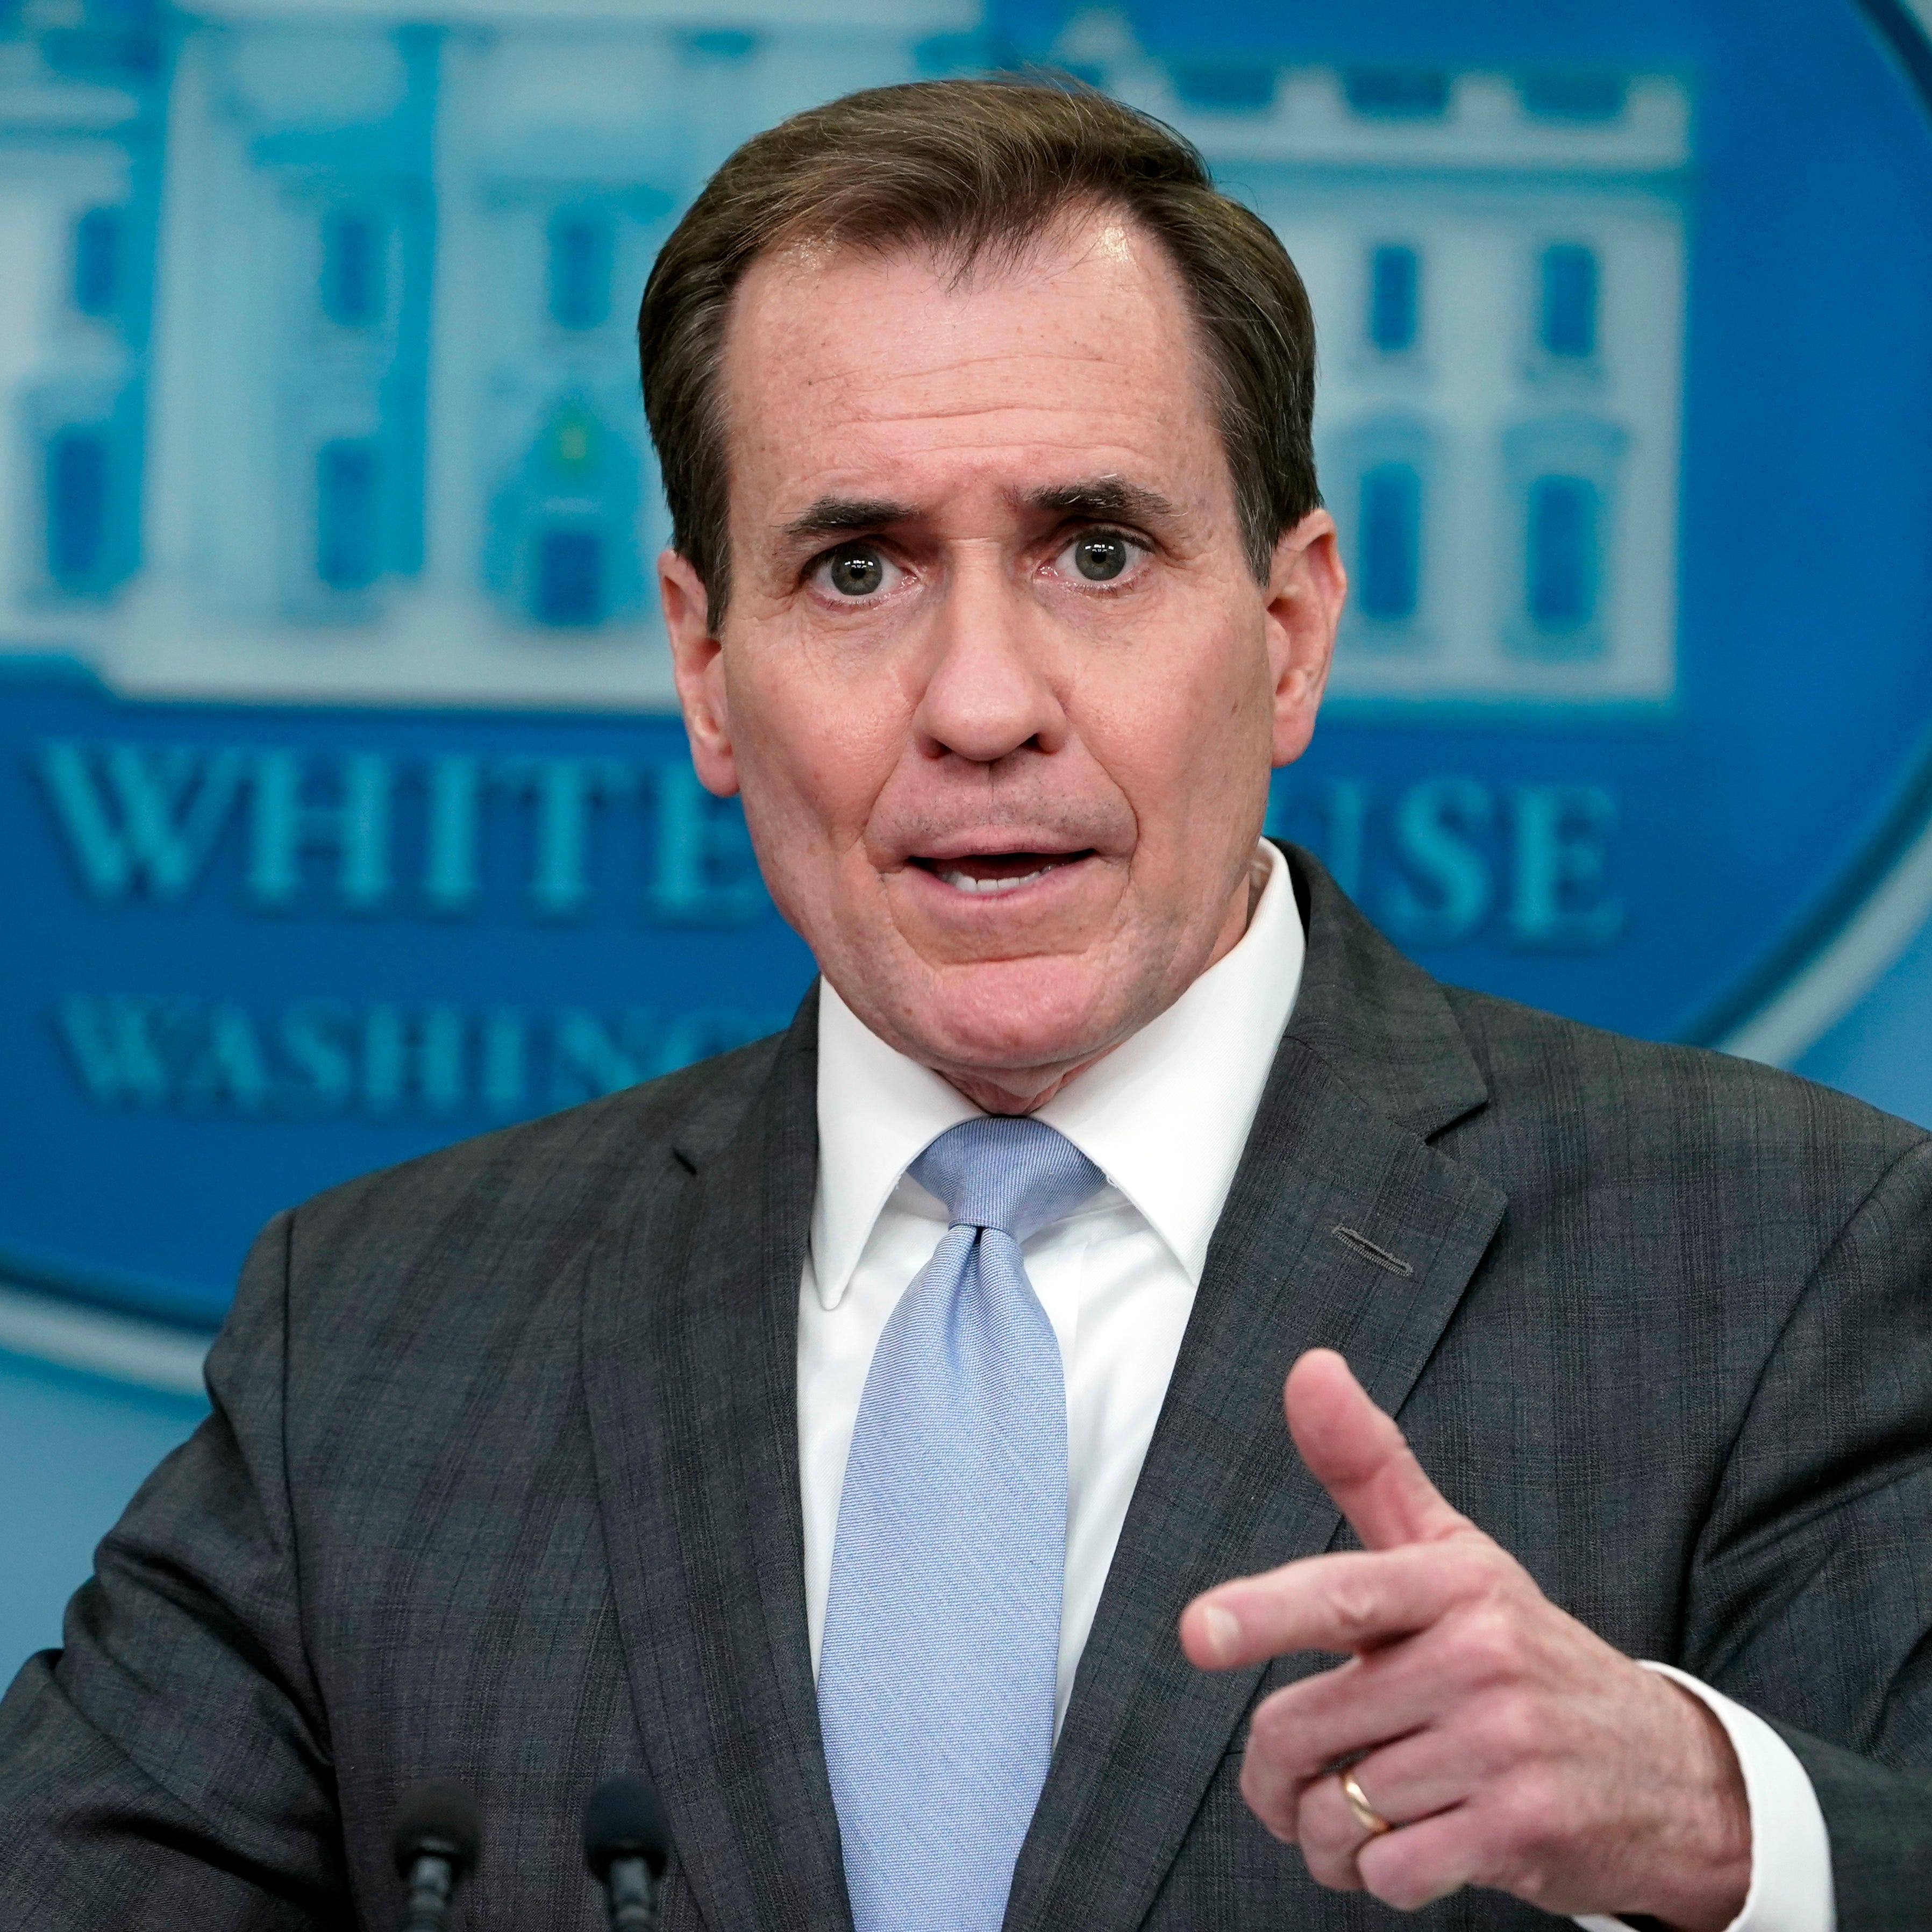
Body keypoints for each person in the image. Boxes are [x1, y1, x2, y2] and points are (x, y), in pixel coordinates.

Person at [2, 78, 1929, 1932]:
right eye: (857, 569)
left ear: (1288, 633)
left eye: (1097, 551)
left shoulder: (1785, 1262)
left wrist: (1707, 1817)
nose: (981, 703)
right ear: (702, 662)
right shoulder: (380, 1335)